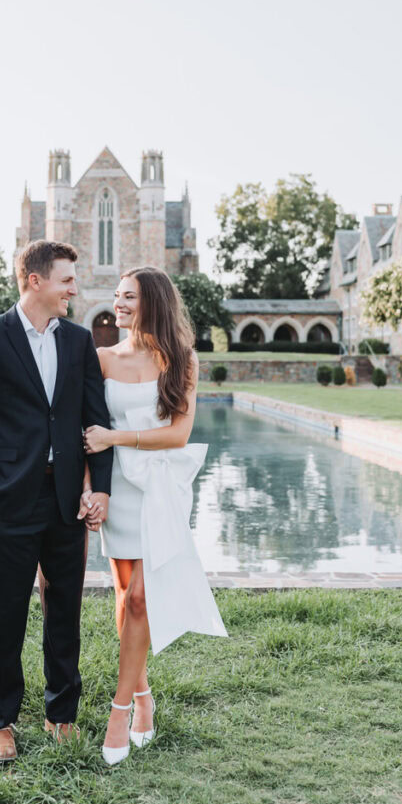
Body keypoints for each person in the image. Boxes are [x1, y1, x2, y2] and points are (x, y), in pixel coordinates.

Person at [0, 239, 113, 763]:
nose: (75, 288)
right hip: (12, 500)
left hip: (68, 498)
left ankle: (59, 714)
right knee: (9, 613)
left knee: (64, 610)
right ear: (35, 281)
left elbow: (95, 421)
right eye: (67, 279)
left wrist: (100, 488)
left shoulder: (77, 340)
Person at [83, 266, 228, 766]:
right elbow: (86, 433)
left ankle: (120, 710)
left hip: (161, 487)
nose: (118, 303)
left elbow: (178, 434)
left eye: (128, 297)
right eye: (117, 295)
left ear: (154, 304)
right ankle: (144, 695)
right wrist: (92, 490)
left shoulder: (182, 359)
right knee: (126, 599)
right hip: (117, 490)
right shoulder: (100, 358)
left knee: (142, 598)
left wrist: (116, 437)